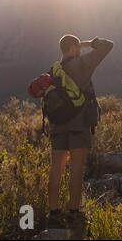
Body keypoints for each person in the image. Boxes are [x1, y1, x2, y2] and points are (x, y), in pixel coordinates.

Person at [47, 34, 113, 229]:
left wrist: (74, 45)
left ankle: (53, 213)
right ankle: (74, 213)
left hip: (57, 125)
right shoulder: (82, 64)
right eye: (77, 47)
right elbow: (108, 45)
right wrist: (86, 43)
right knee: (76, 167)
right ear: (74, 47)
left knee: (56, 168)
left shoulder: (54, 70)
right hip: (78, 125)